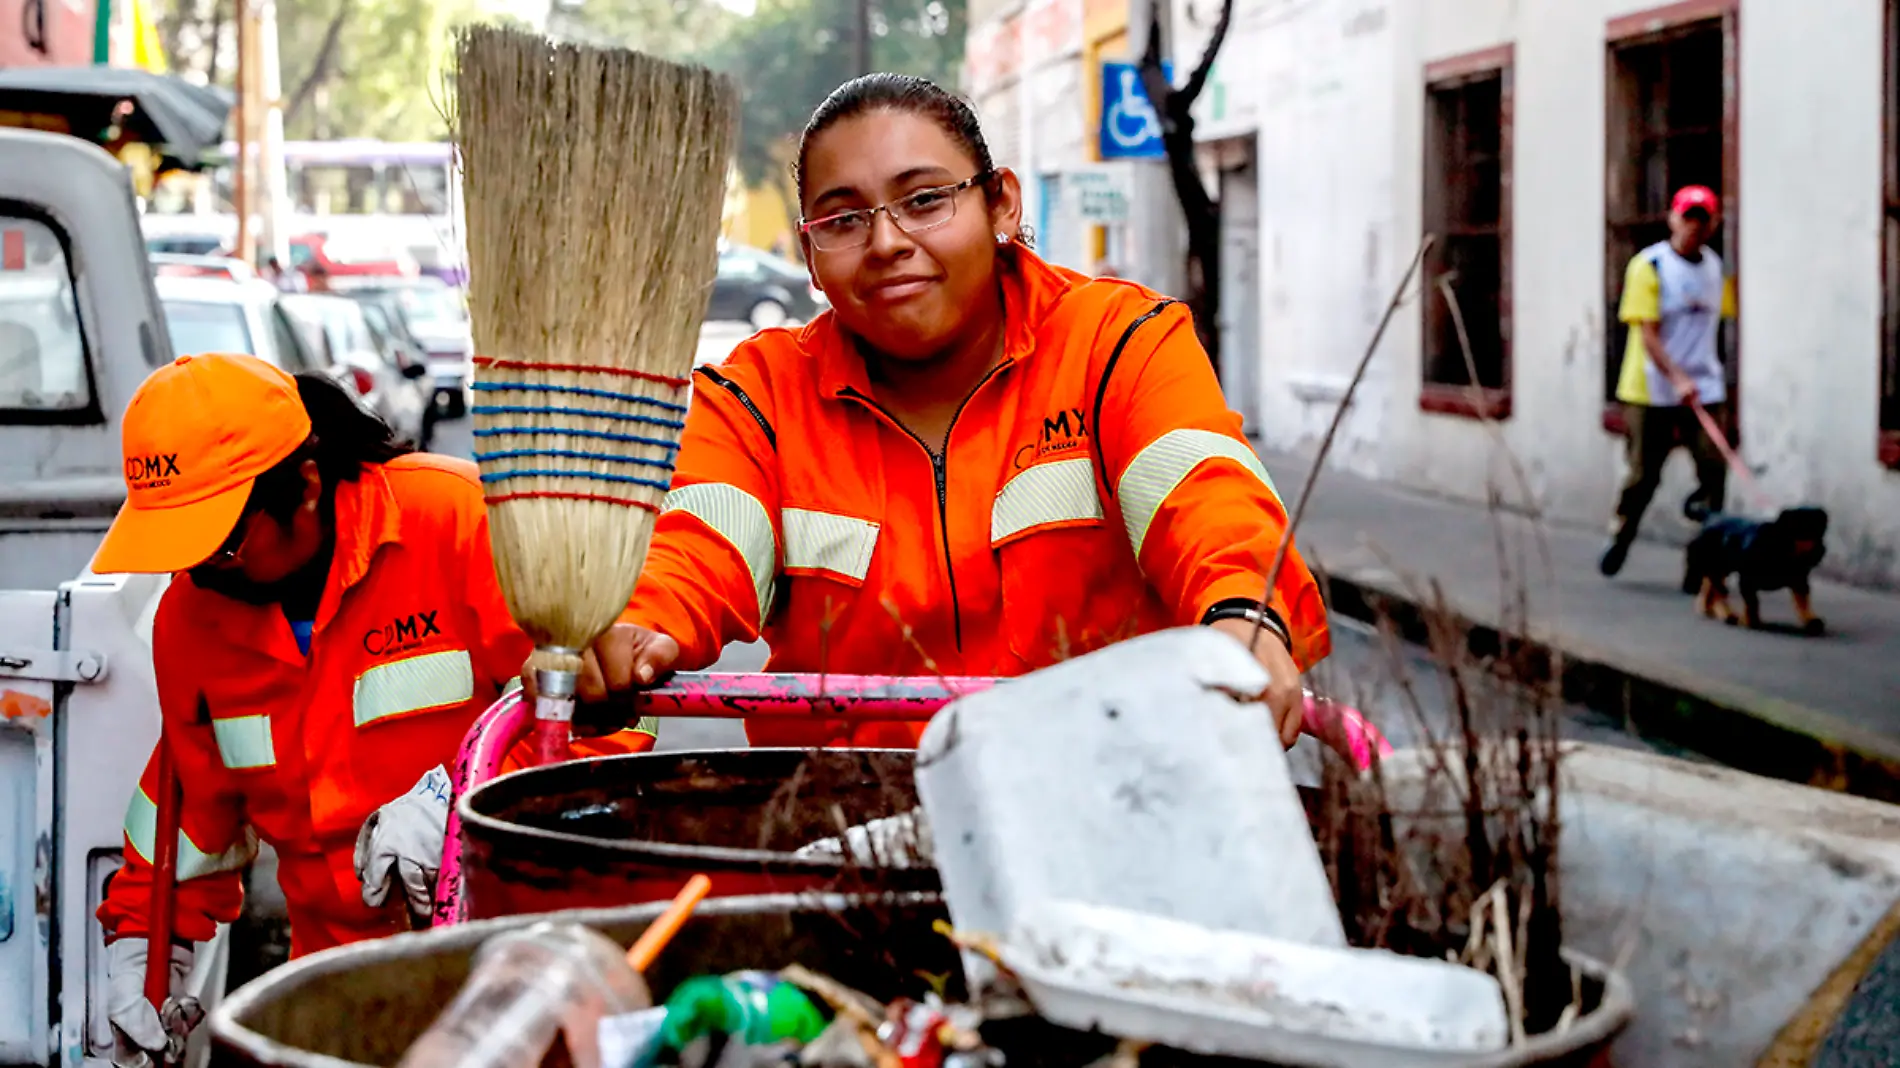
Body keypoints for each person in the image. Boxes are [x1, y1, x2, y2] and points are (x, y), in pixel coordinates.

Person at [543, 74, 1331, 747]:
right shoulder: (759, 399)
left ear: (1000, 204)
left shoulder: (1117, 345)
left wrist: (1245, 618)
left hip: (1117, 818)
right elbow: (694, 547)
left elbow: (1211, 501)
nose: (885, 241)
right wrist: (632, 624)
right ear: (810, 254)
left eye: (924, 200)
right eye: (843, 219)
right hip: (842, 849)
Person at [91, 354, 654, 1059]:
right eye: (182, 546)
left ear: (303, 486)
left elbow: (612, 718)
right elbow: (192, 808)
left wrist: (469, 804)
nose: (202, 570)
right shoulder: (189, 620)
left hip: (520, 968)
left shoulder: (461, 522)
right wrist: (148, 935)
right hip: (340, 987)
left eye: (223, 541)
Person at [1600, 185, 1739, 577]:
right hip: (1650, 387)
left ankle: (1701, 563)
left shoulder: (1716, 268)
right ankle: (1620, 534)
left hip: (1703, 385)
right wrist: (1676, 377)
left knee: (1714, 468)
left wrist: (1711, 376)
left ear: (1713, 224)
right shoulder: (1651, 266)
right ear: (1673, 219)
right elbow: (1648, 333)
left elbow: (1718, 323)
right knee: (1644, 474)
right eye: (1688, 217)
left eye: (1703, 219)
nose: (1694, 226)